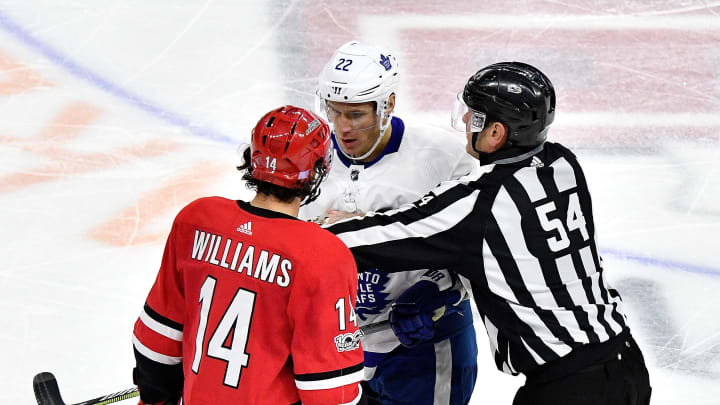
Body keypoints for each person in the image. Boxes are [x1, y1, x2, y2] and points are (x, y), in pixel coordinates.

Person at [326, 62, 652, 405]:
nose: (466, 121)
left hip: (570, 388)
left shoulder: (478, 203)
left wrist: (321, 231)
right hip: (627, 363)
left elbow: (384, 237)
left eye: (475, 115)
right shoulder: (564, 164)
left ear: (496, 133)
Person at [131, 106, 367, 405]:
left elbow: (157, 342)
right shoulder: (322, 255)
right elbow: (330, 395)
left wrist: (156, 398)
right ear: (318, 171)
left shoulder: (197, 219)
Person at [300, 40, 479, 405]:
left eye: (356, 114)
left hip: (423, 347)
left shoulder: (444, 159)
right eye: (334, 112)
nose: (341, 128)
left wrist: (442, 289)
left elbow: (481, 247)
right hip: (332, 349)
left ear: (388, 105)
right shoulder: (309, 154)